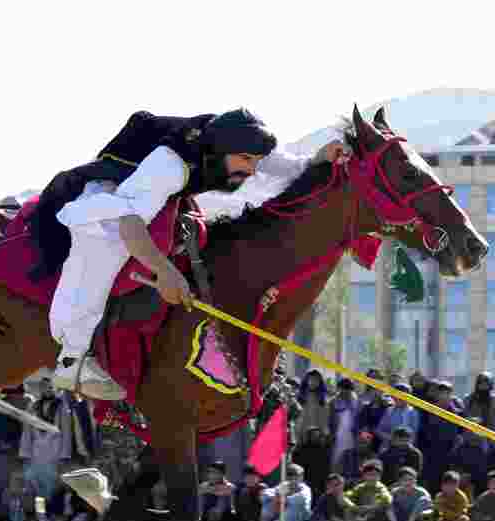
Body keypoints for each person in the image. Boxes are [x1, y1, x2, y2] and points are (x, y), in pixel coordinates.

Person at [31, 107, 347, 399]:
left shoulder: (232, 147)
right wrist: (164, 271)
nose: (251, 171)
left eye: (254, 161)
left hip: (153, 191)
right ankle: (72, 361)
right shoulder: (169, 166)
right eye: (246, 161)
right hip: (113, 189)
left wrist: (317, 159)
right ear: (220, 151)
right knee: (105, 242)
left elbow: (271, 162)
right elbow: (127, 221)